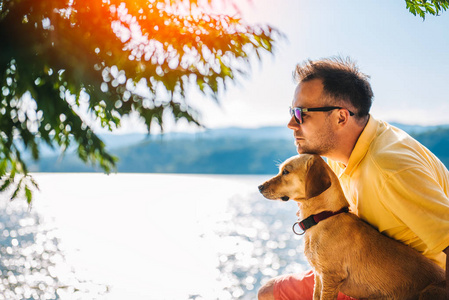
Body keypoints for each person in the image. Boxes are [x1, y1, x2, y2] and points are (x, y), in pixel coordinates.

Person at [258, 57, 449, 300]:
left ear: (341, 117)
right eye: (291, 112)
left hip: (410, 287)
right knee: (270, 293)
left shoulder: (390, 168)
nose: (291, 124)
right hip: (362, 269)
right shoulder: (341, 155)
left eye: (300, 114)